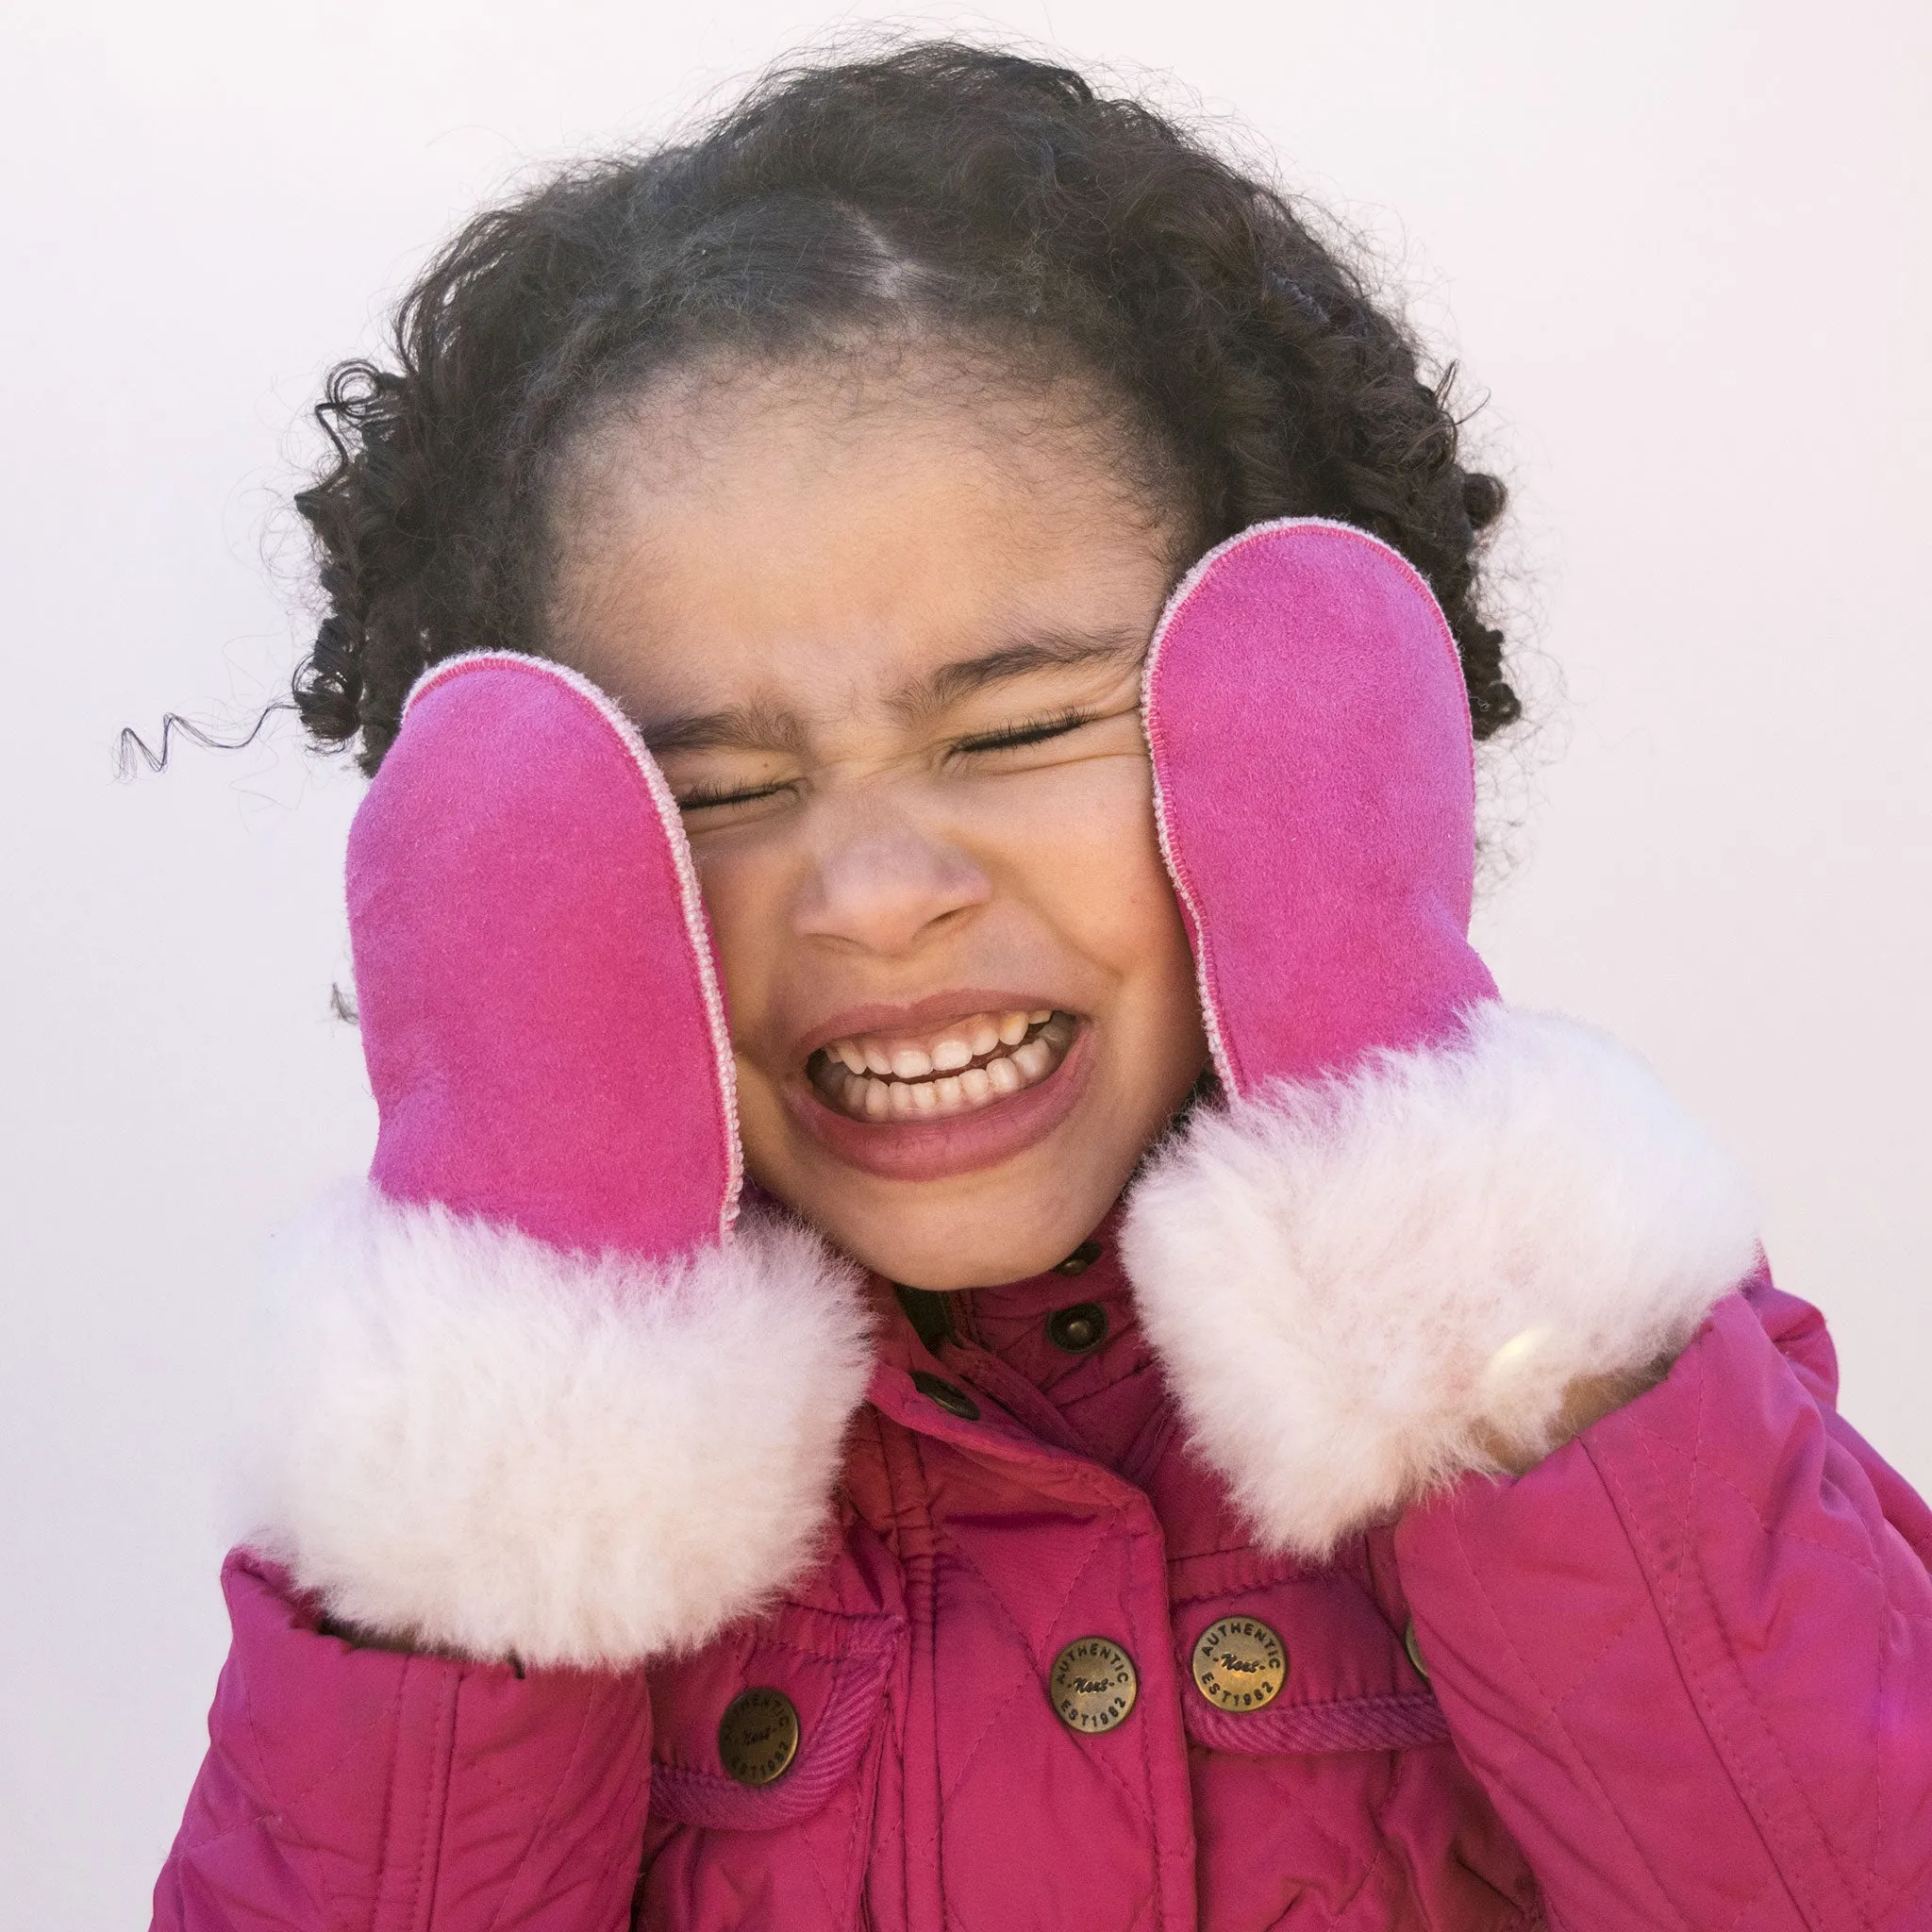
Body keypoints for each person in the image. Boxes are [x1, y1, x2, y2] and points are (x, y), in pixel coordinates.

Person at [149, 42, 1932, 1932]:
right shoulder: (508, 1517)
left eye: (1010, 728)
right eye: (719, 790)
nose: (880, 892)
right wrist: (521, 1360)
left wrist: (1430, 1203)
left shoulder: (1592, 1352)